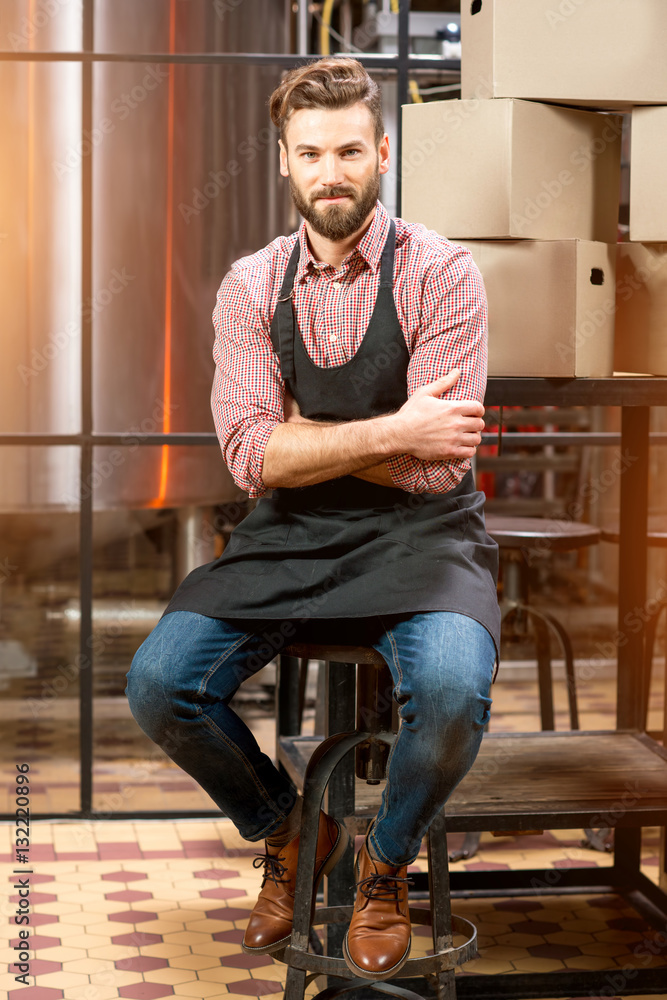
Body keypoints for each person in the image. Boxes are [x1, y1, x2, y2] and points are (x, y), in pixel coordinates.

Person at [126, 56, 500, 982]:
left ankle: (384, 862)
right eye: (309, 154)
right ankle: (293, 829)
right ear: (284, 164)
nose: (329, 172)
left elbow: (439, 458)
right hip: (288, 536)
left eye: (347, 150)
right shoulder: (252, 286)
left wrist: (311, 437)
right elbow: (251, 457)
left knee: (452, 692)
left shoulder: (444, 273)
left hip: (424, 536)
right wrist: (393, 429)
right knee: (159, 685)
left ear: (380, 152)